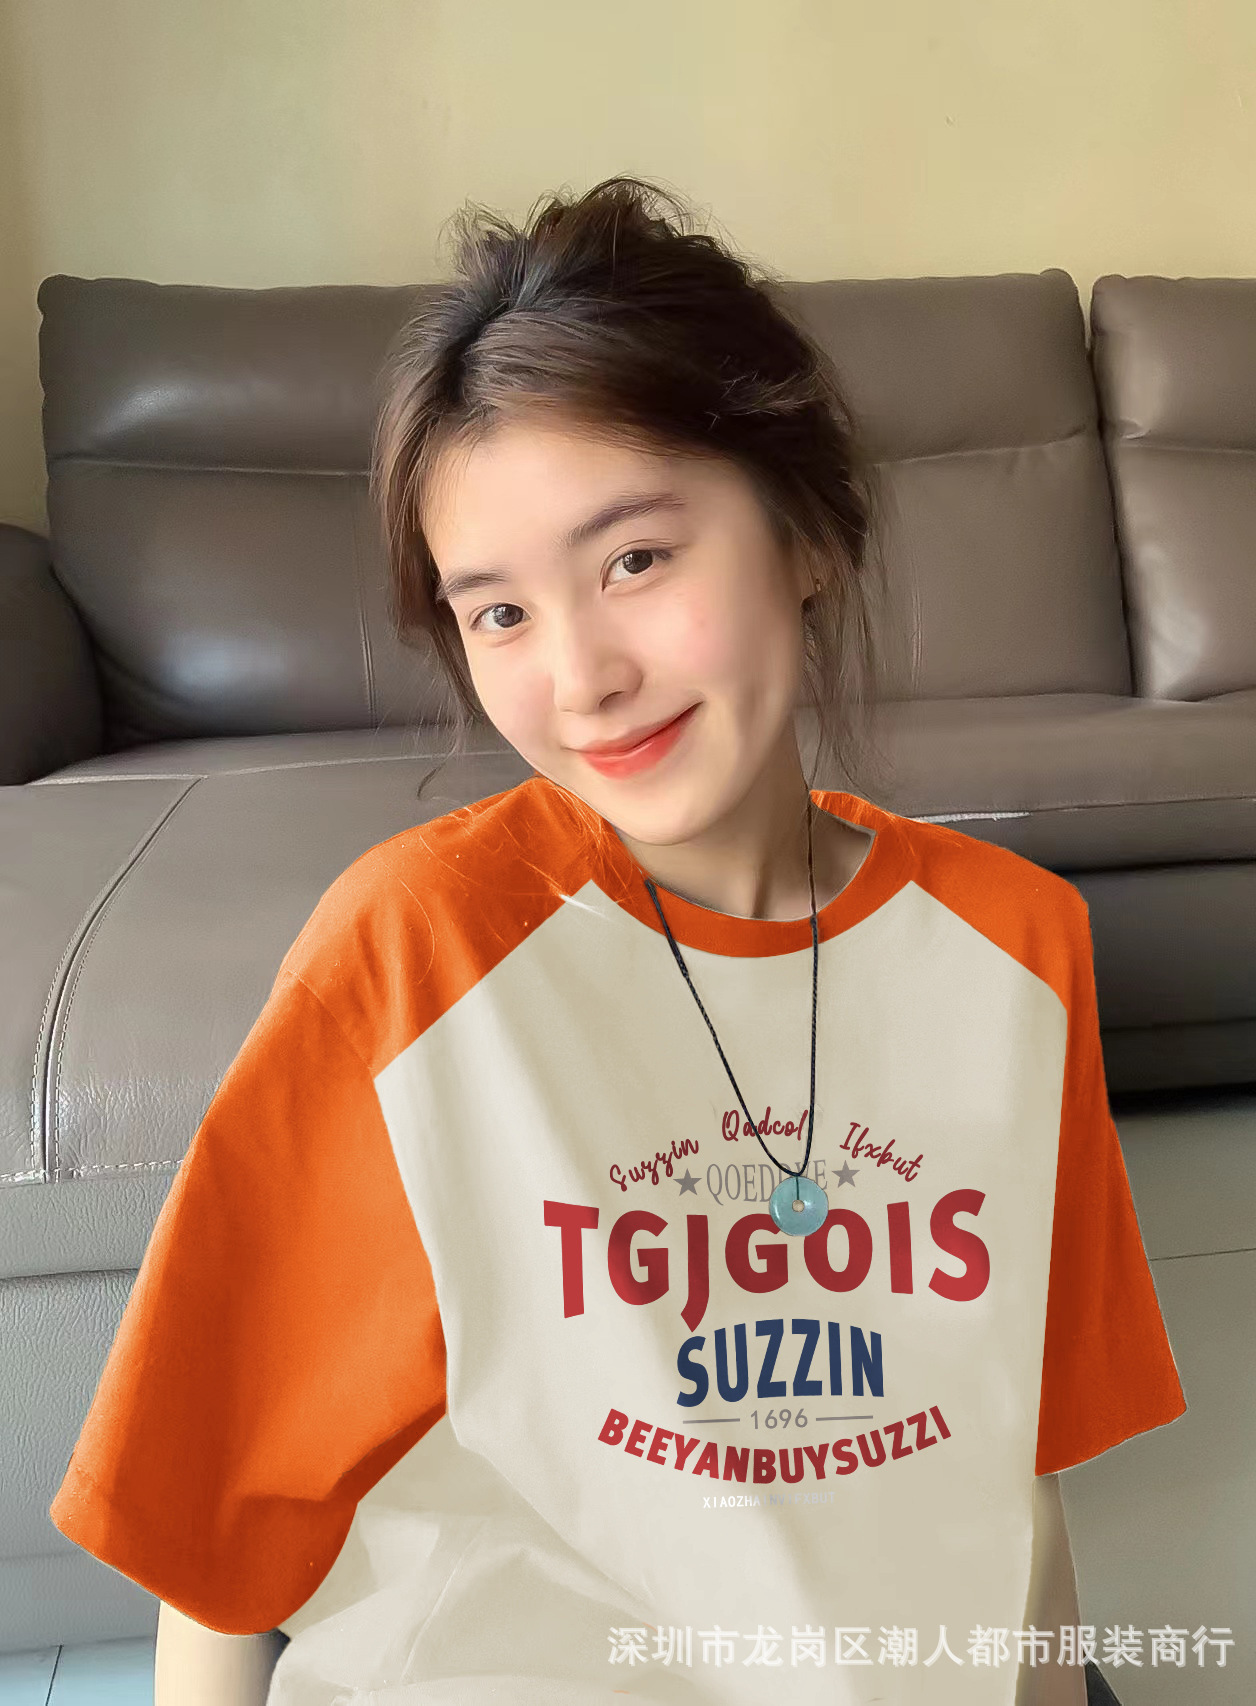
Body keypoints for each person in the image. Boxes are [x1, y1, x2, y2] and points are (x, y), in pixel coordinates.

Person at [49, 177, 1185, 1706]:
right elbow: (219, 1534)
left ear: (806, 530)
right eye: (498, 613)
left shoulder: (1015, 949)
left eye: (635, 559)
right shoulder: (412, 957)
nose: (579, 676)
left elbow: (1008, 1475)